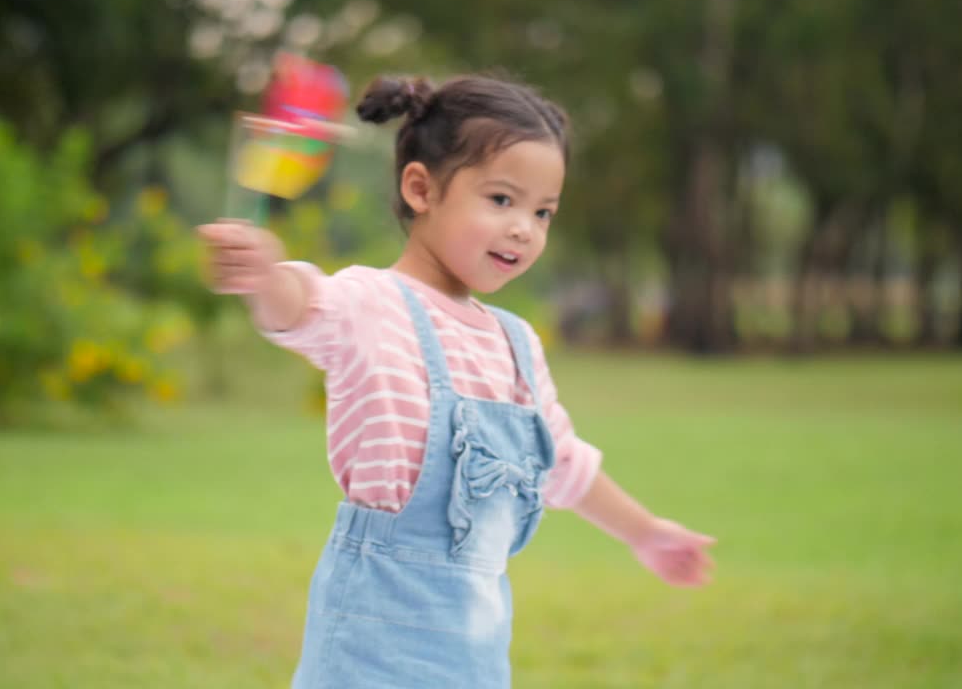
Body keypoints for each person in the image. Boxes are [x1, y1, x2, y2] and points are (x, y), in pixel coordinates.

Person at [198, 73, 715, 688]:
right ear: (421, 188)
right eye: (501, 200)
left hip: (473, 646)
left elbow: (563, 464)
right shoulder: (371, 304)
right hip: (370, 646)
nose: (525, 227)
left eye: (542, 211)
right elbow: (300, 307)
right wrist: (261, 275)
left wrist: (646, 532)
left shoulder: (517, 345)